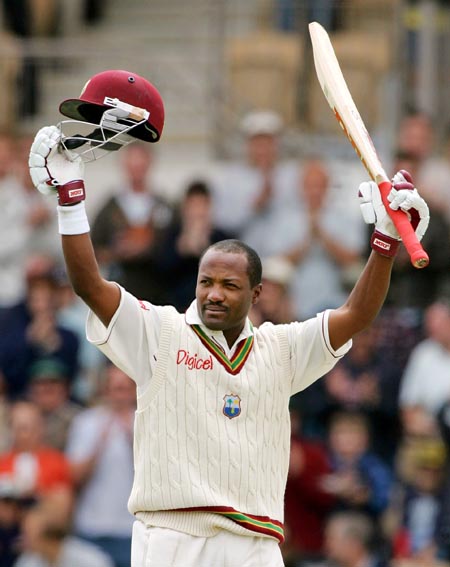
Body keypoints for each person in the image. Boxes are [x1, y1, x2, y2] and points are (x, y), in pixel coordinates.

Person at [27, 70, 430, 566]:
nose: (214, 294)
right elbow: (91, 286)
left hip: (255, 545)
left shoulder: (281, 350)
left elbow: (356, 313)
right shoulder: (161, 332)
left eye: (230, 285)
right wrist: (71, 200)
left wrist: (385, 243)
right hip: (171, 537)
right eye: (206, 282)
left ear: (257, 293)